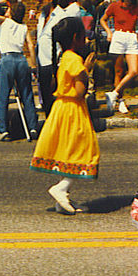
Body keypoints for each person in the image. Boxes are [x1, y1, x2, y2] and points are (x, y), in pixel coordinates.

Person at [30, 17, 99, 215]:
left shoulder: (64, 57)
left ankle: (63, 198)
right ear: (76, 37)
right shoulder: (75, 60)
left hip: (63, 108)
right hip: (73, 109)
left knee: (68, 151)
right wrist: (87, 70)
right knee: (83, 150)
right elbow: (79, 92)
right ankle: (61, 188)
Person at [0, 0, 38, 141]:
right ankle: (32, 127)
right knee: (27, 95)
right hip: (21, 59)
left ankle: (3, 130)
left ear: (12, 13)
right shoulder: (24, 27)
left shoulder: (5, 22)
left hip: (7, 59)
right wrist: (33, 65)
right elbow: (31, 46)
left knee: (3, 96)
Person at [35, 0, 81, 117]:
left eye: (41, 0)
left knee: (56, 98)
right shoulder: (42, 17)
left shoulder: (61, 16)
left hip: (55, 63)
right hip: (42, 63)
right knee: (46, 100)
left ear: (50, 0)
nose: (38, 3)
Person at [100, 0, 138, 114]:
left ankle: (113, 94)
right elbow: (103, 19)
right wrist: (109, 32)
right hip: (118, 36)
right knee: (119, 71)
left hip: (132, 37)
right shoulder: (115, 6)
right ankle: (120, 101)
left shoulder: (137, 7)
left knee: (134, 71)